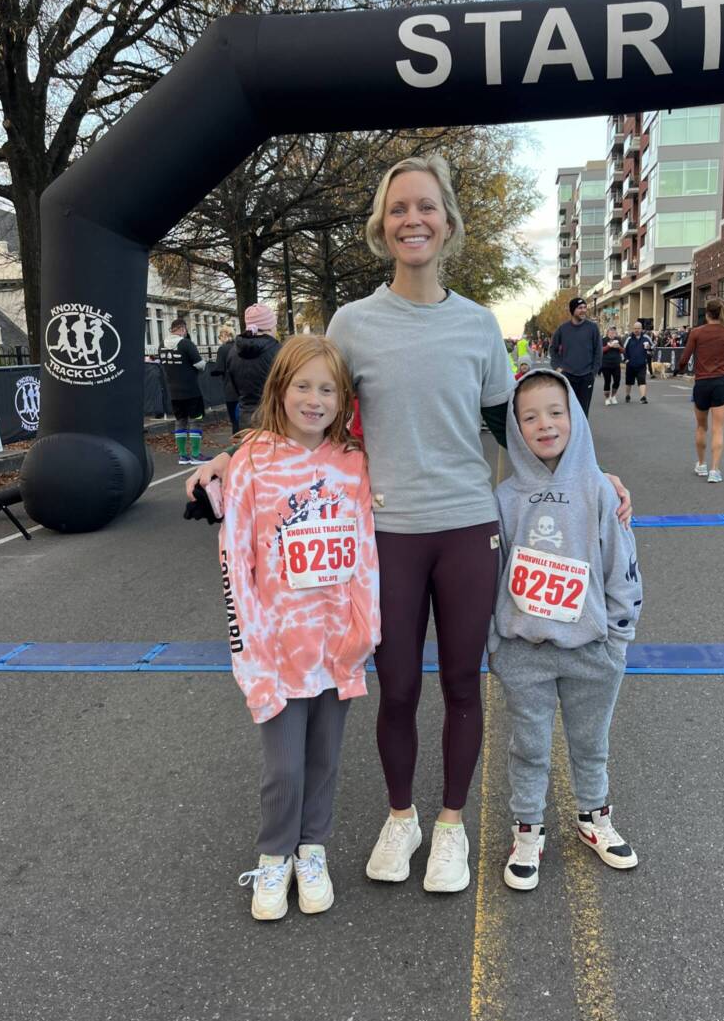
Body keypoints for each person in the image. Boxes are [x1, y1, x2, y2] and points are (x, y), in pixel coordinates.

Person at [186, 155, 632, 894]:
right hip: (384, 534)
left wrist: (590, 471)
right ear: (381, 227)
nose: (412, 219)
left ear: (449, 223)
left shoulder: (477, 325)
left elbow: (516, 427)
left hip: (466, 530)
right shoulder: (353, 325)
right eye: (398, 209)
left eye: (426, 207)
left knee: (462, 684)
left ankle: (451, 825)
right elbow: (307, 410)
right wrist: (233, 459)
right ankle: (403, 818)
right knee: (395, 688)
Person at [226, 335, 380, 920]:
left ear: (343, 400)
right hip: (277, 648)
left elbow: (365, 553)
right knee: (284, 765)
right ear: (279, 390)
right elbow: (235, 560)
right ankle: (274, 857)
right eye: (303, 386)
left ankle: (312, 849)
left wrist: (365, 632)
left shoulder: (352, 463)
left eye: (328, 389)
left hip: (336, 642)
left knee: (325, 760)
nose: (314, 400)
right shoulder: (251, 464)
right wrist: (251, 648)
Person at [489, 369, 642, 889]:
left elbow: (620, 565)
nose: (544, 425)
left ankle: (593, 817)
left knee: (589, 741)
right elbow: (494, 574)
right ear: (515, 428)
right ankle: (527, 829)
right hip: (523, 652)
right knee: (528, 746)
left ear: (574, 417)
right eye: (529, 417)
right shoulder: (505, 498)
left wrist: (618, 638)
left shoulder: (600, 490)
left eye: (556, 412)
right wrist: (497, 642)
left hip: (591, 651)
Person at [675, 296, 724, 483]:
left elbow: (684, 358)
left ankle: (701, 464)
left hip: (702, 383)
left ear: (706, 314)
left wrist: (679, 369)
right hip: (721, 382)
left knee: (701, 426)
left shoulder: (697, 333)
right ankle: (715, 470)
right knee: (718, 429)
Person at [159, 317, 211, 464]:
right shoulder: (186, 344)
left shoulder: (161, 345)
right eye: (185, 330)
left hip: (173, 391)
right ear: (182, 329)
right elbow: (200, 364)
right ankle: (195, 454)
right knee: (196, 421)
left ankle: (183, 455)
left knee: (180, 421)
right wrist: (204, 364)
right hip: (191, 390)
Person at [229, 303, 280, 431]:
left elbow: (233, 385)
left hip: (245, 416)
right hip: (274, 415)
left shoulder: (233, 351)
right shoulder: (278, 351)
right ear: (269, 327)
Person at [549, 297, 602, 416]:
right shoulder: (563, 329)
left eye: (584, 307)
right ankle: (569, 434)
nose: (583, 310)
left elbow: (598, 351)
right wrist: (557, 367)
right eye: (580, 308)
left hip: (586, 376)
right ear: (572, 310)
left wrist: (593, 372)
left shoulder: (592, 328)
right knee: (568, 410)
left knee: (583, 411)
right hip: (567, 376)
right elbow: (553, 349)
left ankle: (582, 434)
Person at [210, 325, 239, 435]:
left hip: (230, 388)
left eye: (220, 336)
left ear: (226, 335)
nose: (220, 339)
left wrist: (211, 372)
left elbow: (219, 368)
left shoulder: (223, 349)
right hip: (244, 387)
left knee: (234, 420)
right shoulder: (239, 346)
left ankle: (237, 445)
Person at [622, 321, 653, 403]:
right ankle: (627, 395)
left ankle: (643, 397)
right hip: (630, 364)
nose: (636, 330)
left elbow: (653, 347)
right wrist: (625, 360)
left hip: (641, 364)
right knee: (629, 382)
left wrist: (649, 348)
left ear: (641, 329)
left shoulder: (646, 338)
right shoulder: (629, 338)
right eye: (635, 328)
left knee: (642, 380)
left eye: (638, 328)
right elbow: (623, 350)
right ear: (633, 329)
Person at [601, 326, 623, 405]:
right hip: (606, 364)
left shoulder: (618, 340)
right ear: (607, 333)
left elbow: (623, 350)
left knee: (617, 381)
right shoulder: (603, 340)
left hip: (616, 364)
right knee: (607, 381)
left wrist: (619, 347)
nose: (613, 334)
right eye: (611, 332)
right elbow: (600, 350)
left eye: (614, 333)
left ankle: (613, 396)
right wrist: (609, 346)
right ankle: (607, 398)